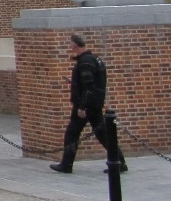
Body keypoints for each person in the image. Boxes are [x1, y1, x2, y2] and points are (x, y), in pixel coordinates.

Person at [50, 33, 127, 174]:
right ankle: (120, 162)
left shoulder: (85, 62)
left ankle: (66, 164)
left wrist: (82, 106)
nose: (70, 48)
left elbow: (89, 86)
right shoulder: (94, 59)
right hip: (95, 104)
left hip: (87, 105)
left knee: (72, 133)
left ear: (74, 45)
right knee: (102, 134)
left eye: (70, 45)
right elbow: (91, 83)